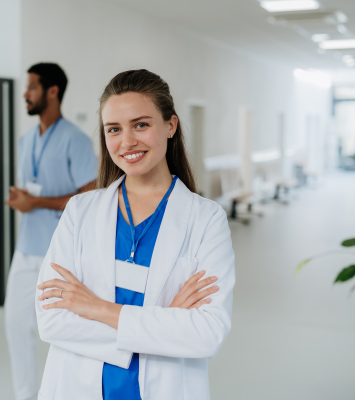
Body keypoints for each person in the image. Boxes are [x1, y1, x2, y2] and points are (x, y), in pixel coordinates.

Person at [35, 69, 235, 400]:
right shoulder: (80, 212)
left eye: (141, 124)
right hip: (75, 387)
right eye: (114, 129)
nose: (127, 141)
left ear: (170, 125)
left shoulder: (206, 220)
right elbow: (51, 320)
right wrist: (165, 323)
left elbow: (207, 333)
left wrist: (96, 308)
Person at [4, 63, 98, 400]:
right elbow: (33, 191)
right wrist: (22, 199)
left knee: (66, 331)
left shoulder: (75, 139)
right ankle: (25, 395)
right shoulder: (26, 139)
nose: (25, 94)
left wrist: (37, 202)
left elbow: (90, 194)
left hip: (60, 251)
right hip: (27, 246)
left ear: (52, 91)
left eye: (31, 87)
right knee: (16, 325)